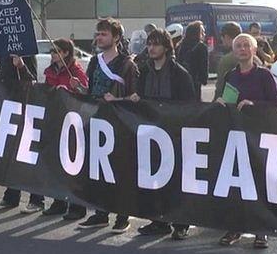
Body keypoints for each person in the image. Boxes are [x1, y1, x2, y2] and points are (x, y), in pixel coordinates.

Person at [215, 33, 277, 249]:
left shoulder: (264, 76)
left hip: (259, 137)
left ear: (253, 50)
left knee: (259, 184)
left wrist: (255, 105)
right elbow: (224, 99)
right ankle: (235, 228)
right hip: (236, 137)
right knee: (237, 185)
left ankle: (262, 231)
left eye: (246, 46)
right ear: (234, 51)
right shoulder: (230, 76)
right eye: (238, 46)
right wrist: (220, 103)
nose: (242, 49)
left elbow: (276, 105)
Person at [131, 28, 196, 240]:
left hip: (174, 135)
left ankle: (181, 222)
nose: (151, 48)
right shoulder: (144, 72)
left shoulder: (180, 74)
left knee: (177, 180)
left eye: (156, 44)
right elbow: (140, 99)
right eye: (149, 44)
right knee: (155, 179)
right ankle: (159, 221)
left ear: (167, 47)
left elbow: (189, 106)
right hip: (152, 134)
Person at [77, 17, 139, 233]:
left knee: (119, 170)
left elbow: (134, 97)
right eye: (98, 33)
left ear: (116, 37)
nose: (99, 37)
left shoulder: (127, 64)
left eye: (104, 34)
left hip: (119, 123)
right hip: (96, 120)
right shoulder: (94, 61)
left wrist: (118, 100)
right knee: (98, 170)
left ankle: (123, 215)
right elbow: (91, 89)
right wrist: (80, 89)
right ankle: (100, 213)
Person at [42, 38, 89, 218]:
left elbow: (85, 92)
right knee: (56, 164)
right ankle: (58, 201)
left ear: (66, 53)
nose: (52, 55)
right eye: (52, 52)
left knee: (73, 165)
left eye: (56, 51)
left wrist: (77, 86)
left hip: (73, 122)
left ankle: (77, 206)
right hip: (56, 119)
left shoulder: (75, 71)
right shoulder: (50, 71)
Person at [0, 54, 45, 212]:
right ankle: (11, 196)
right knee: (11, 155)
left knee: (28, 156)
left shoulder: (26, 54)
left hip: (26, 109)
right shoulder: (5, 56)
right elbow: (3, 77)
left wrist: (21, 66)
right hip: (9, 107)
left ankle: (37, 199)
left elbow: (32, 81)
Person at [214, 22, 260, 99]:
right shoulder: (254, 58)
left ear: (226, 37)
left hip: (234, 103)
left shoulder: (226, 60)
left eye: (222, 37)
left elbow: (221, 88)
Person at [175, 20, 208, 99]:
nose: (204, 34)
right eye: (202, 32)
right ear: (197, 33)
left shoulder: (180, 46)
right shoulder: (201, 47)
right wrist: (204, 80)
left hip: (180, 81)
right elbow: (203, 67)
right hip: (194, 82)